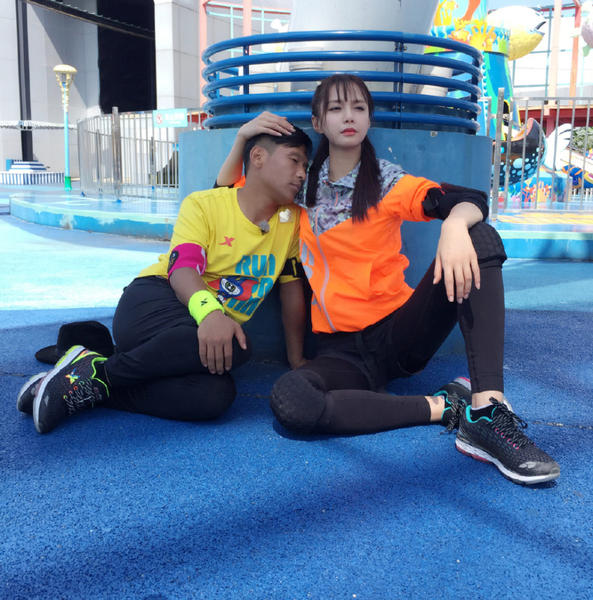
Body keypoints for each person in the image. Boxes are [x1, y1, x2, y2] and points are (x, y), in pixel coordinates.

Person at [216, 74, 560, 486]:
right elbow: (226, 195)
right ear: (318, 122)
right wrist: (242, 138)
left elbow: (469, 200)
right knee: (293, 401)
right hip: (339, 352)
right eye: (336, 108)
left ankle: (487, 412)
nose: (349, 117)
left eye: (358, 108)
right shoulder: (300, 188)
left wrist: (453, 226)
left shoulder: (385, 182)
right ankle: (446, 407)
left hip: (399, 335)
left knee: (479, 235)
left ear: (369, 119)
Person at [17, 126, 312, 434]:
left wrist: (296, 359)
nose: (302, 173)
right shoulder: (205, 204)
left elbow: (291, 290)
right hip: (154, 302)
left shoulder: (291, 224)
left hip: (194, 338)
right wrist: (211, 314)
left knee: (214, 396)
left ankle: (88, 379)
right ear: (258, 157)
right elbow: (182, 267)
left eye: (305, 166)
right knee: (238, 346)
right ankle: (100, 375)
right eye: (294, 160)